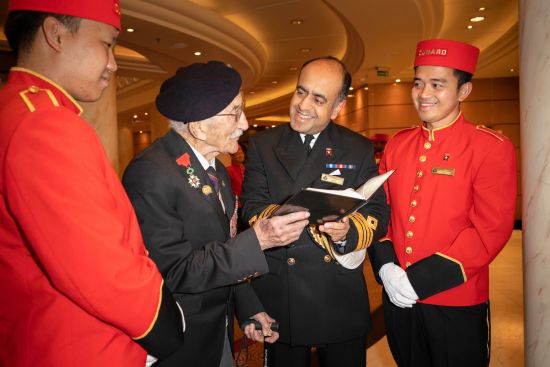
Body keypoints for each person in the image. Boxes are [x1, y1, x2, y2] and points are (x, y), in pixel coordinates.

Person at [0, 1, 185, 366]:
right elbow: (102, 271)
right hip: (81, 348)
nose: (113, 63)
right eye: (108, 43)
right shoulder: (44, 125)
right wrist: (165, 325)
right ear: (55, 34)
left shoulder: (18, 109)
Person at [122, 61, 310, 367]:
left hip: (217, 331)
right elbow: (175, 271)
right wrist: (258, 241)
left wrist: (248, 307)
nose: (246, 123)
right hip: (180, 341)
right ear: (198, 126)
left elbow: (221, 247)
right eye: (235, 112)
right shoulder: (151, 173)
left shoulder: (217, 171)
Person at [374, 39, 517, 366]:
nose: (424, 93)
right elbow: (380, 213)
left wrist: (417, 280)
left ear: (463, 91)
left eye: (437, 84)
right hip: (399, 297)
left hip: (456, 300)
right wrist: (385, 266)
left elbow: (489, 231)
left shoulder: (490, 147)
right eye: (419, 83)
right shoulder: (398, 145)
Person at [240, 56, 390, 367]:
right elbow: (252, 207)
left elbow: (377, 211)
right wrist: (284, 222)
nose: (303, 104)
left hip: (338, 294)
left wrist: (348, 231)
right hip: (281, 293)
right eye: (300, 91)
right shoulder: (263, 145)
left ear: (337, 107)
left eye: (319, 99)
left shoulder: (357, 147)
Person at [226, 142, 246, 207]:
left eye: (241, 153)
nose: (241, 155)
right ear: (232, 156)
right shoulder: (229, 170)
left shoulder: (245, 167)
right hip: (236, 204)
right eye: (237, 154)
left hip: (247, 203)